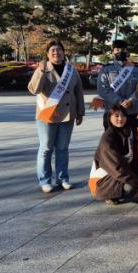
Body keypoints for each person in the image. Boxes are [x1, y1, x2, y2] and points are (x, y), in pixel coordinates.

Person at [27, 40, 85, 193]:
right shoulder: (43, 68)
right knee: (46, 148)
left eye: (59, 50)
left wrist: (80, 112)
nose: (56, 53)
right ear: (47, 54)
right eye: (52, 50)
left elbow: (78, 92)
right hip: (47, 115)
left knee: (63, 148)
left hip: (67, 115)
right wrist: (41, 72)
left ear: (64, 52)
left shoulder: (71, 70)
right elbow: (33, 90)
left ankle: (62, 178)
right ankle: (45, 181)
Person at [90, 104, 138, 206]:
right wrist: (135, 181)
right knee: (131, 187)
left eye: (123, 116)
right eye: (116, 116)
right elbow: (116, 167)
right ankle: (110, 195)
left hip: (121, 172)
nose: (120, 119)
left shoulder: (129, 131)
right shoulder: (107, 138)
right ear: (110, 117)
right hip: (104, 178)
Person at [97, 40, 138, 132]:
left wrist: (131, 100)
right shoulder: (106, 70)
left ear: (127, 51)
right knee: (111, 140)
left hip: (131, 112)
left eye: (123, 49)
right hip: (112, 113)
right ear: (113, 52)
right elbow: (103, 90)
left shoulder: (136, 70)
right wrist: (120, 101)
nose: (120, 52)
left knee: (132, 140)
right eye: (117, 49)